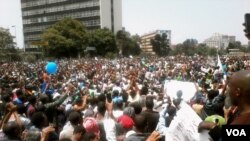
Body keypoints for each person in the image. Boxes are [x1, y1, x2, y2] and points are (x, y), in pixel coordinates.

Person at [198, 70, 250, 141]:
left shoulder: (243, 121)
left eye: (230, 88)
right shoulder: (241, 111)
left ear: (237, 92)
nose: (227, 92)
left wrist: (213, 126)